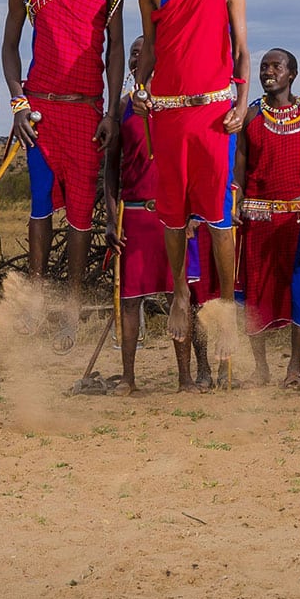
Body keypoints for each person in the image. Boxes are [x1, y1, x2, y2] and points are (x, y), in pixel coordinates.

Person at [0, 0, 125, 350]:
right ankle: (34, 301)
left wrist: (111, 111)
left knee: (78, 216)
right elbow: (10, 47)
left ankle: (70, 310)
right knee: (38, 205)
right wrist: (17, 103)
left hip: (88, 110)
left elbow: (115, 52)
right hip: (41, 110)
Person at [134, 0, 249, 345]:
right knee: (173, 208)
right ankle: (181, 291)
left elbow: (241, 51)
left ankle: (223, 302)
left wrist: (241, 100)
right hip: (166, 111)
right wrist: (138, 87)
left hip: (214, 112)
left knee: (218, 211)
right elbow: (151, 47)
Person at [106, 42, 217, 393]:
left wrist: (197, 212)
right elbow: (111, 167)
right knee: (129, 300)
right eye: (134, 53)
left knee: (182, 297)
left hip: (176, 218)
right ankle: (128, 378)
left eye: (146, 51)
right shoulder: (122, 107)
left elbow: (199, 159)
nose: (139, 57)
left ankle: (186, 377)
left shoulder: (180, 101)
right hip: (135, 215)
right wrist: (111, 218)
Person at [233, 47, 300, 386]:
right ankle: (261, 368)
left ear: (292, 74)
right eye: (264, 67)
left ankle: (295, 368)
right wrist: (235, 204)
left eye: (276, 66)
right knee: (255, 295)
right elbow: (238, 171)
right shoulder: (249, 116)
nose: (268, 72)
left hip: (298, 223)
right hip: (256, 222)